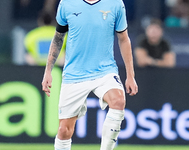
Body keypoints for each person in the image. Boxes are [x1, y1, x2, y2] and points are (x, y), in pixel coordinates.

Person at [42, 0, 138, 149]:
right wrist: (48, 70)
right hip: (74, 73)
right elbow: (58, 38)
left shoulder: (115, 4)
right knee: (64, 130)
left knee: (118, 101)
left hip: (105, 70)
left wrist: (130, 75)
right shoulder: (67, 3)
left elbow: (124, 39)